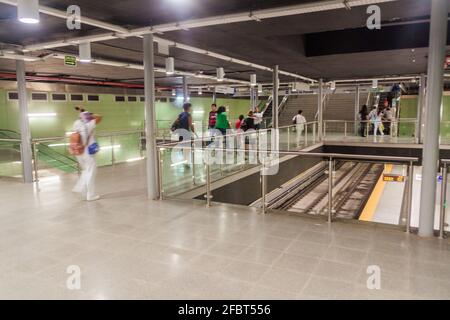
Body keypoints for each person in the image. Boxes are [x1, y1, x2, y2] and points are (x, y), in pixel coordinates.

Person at [72, 108, 102, 201]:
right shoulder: (89, 124)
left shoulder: (76, 123)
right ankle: (90, 195)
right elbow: (99, 117)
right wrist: (90, 114)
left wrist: (82, 113)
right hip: (87, 152)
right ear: (87, 117)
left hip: (78, 151)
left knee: (86, 171)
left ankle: (80, 188)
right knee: (91, 172)